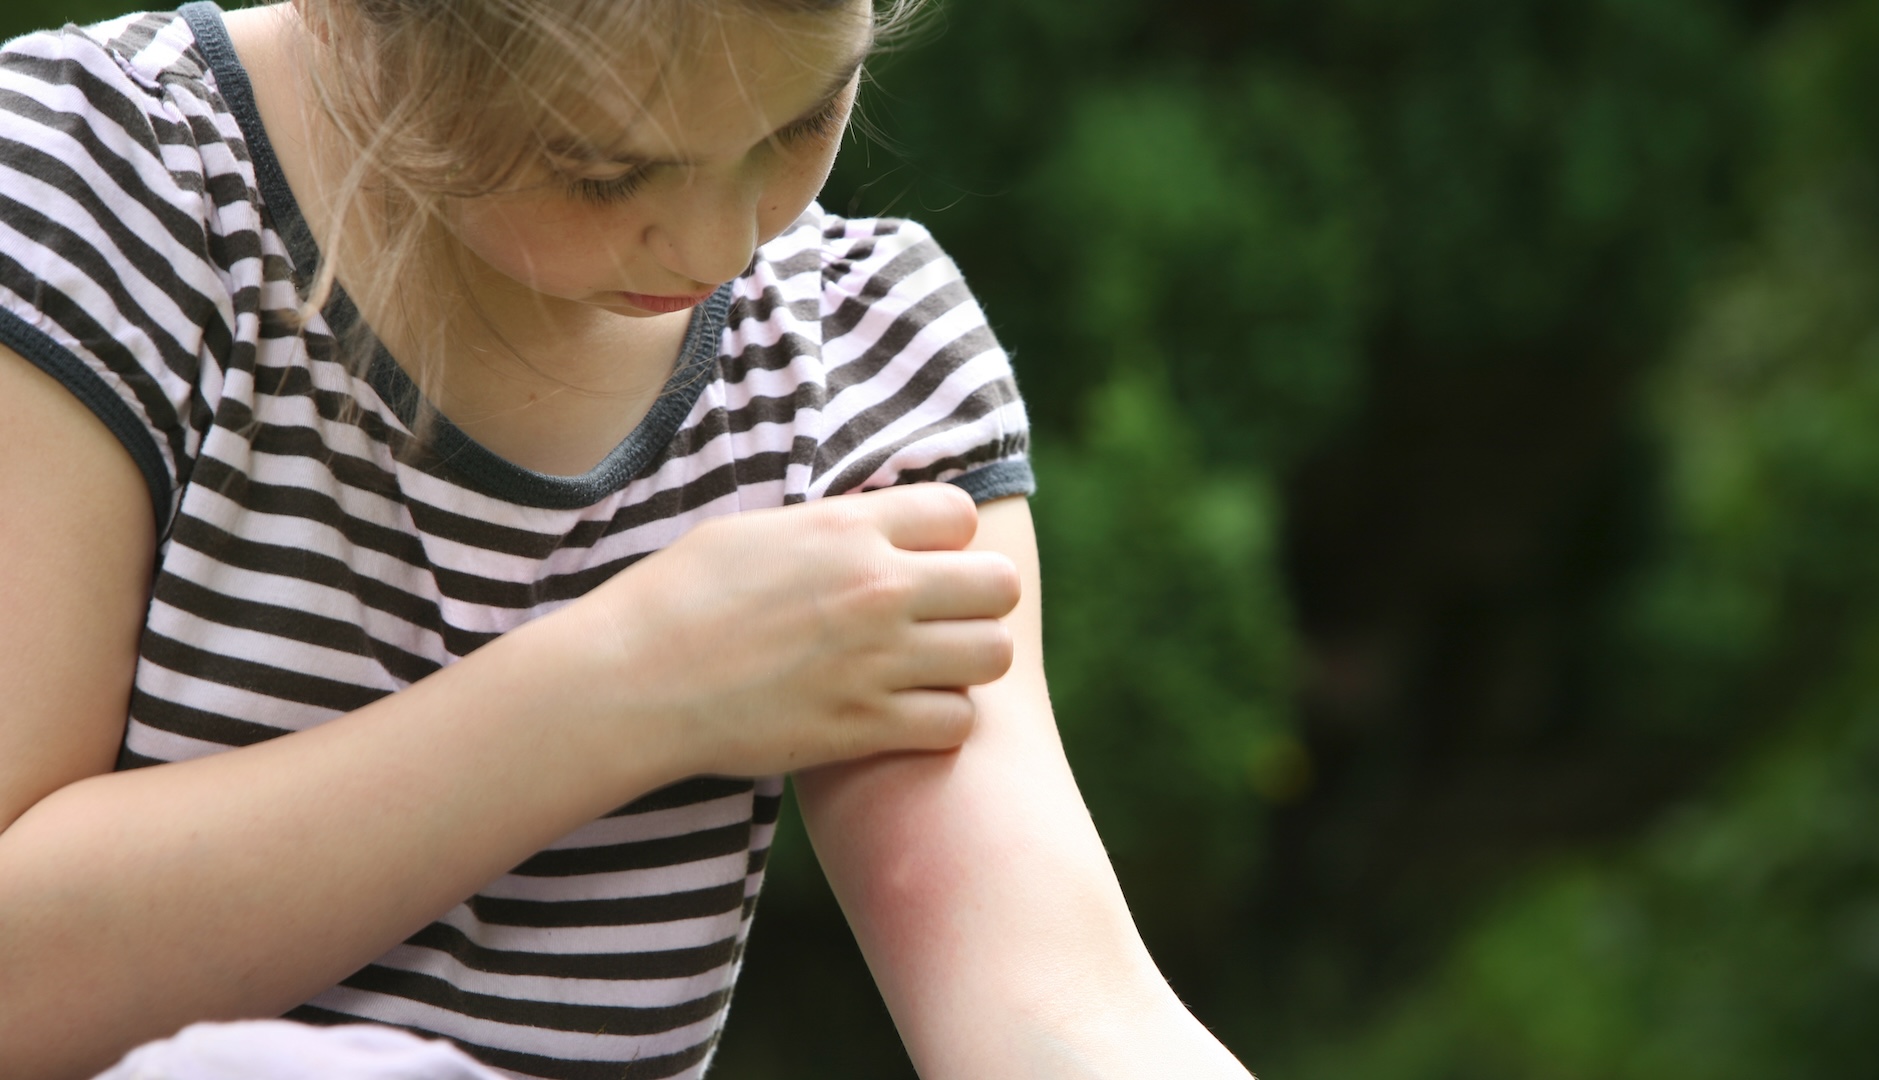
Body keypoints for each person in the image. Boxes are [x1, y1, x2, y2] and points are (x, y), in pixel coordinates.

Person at [0, 0, 1256, 1077]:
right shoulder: (96, 197)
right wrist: (629, 686)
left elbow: (1056, 1010)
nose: (723, 244)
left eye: (800, 120)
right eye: (602, 172)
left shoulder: (862, 366)